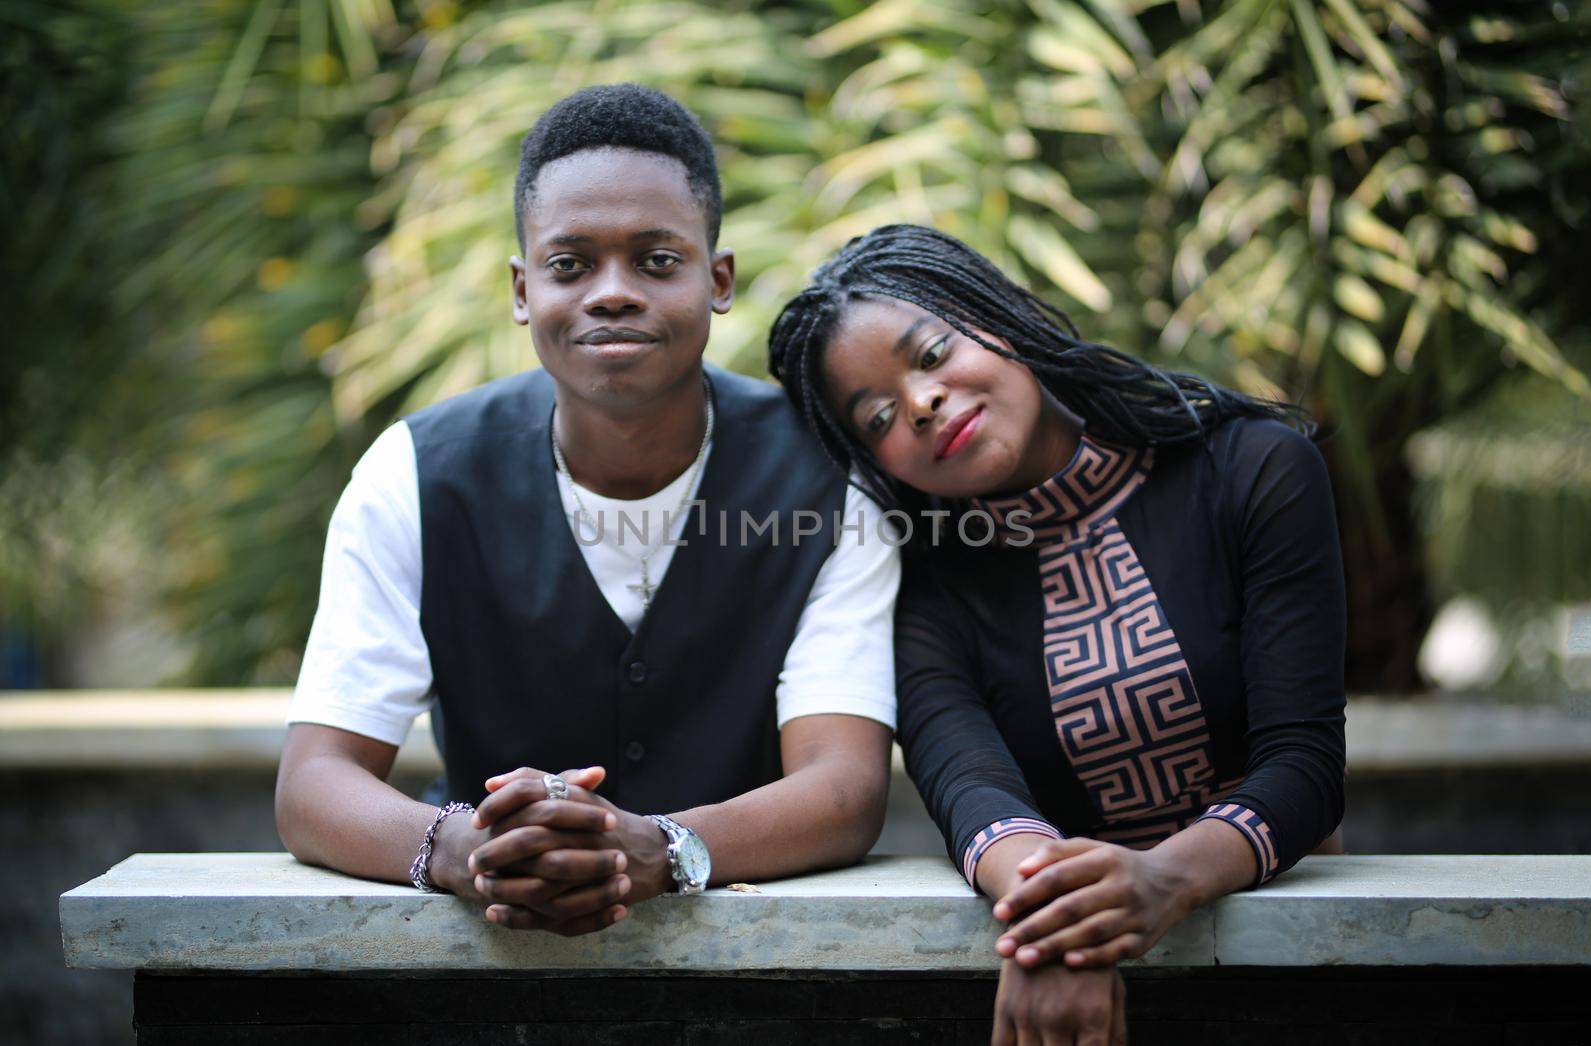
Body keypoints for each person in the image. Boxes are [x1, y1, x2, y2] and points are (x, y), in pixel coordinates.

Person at [275, 85, 899, 936]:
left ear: (717, 280)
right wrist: (460, 849)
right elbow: (314, 781)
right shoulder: (415, 474)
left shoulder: (826, 480)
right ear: (523, 288)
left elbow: (846, 789)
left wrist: (665, 847)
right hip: (488, 963)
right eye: (570, 265)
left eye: (656, 261)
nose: (613, 293)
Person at [768, 224, 1346, 1044]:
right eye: (880, 415)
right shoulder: (928, 582)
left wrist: (1157, 880)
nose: (923, 403)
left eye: (930, 355)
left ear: (995, 318)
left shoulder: (1254, 471)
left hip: (1291, 976)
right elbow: (971, 792)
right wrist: (1071, 923)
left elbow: (1306, 765)